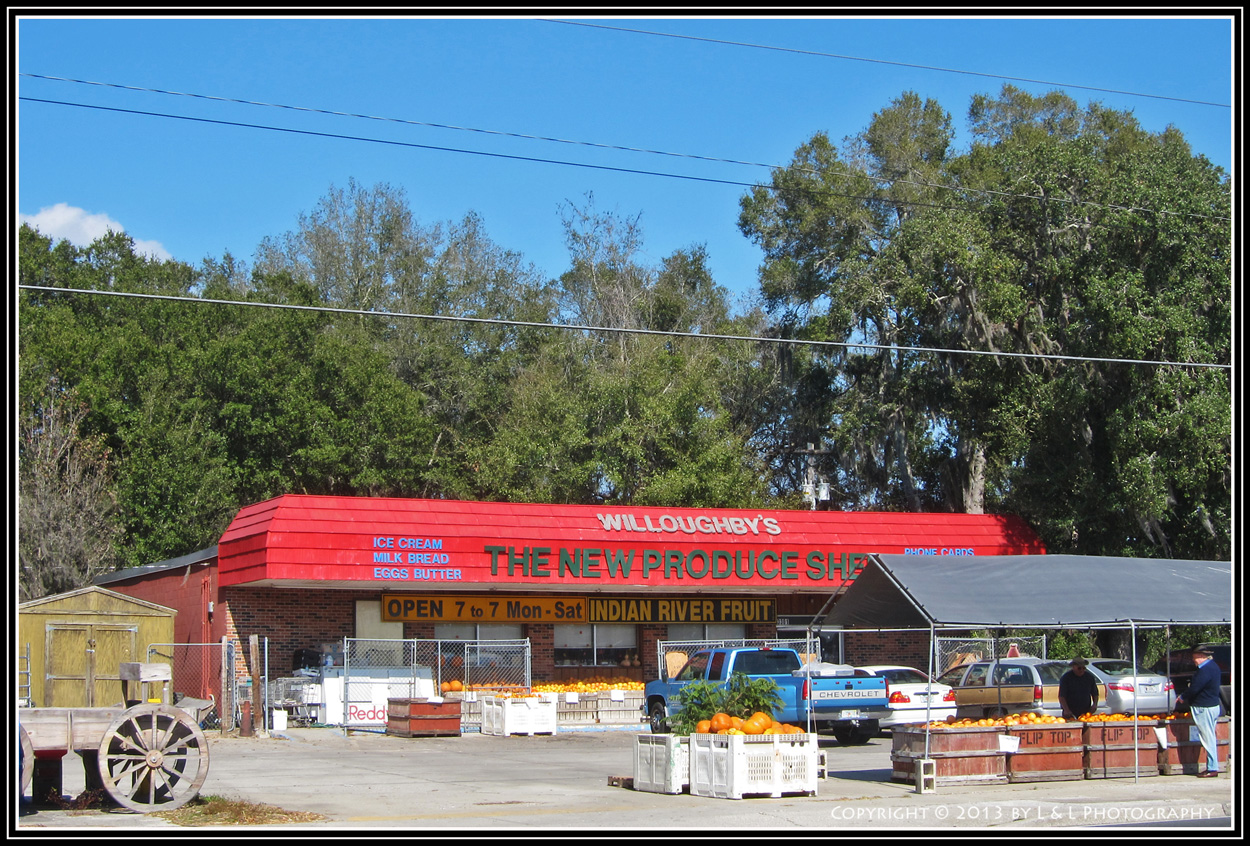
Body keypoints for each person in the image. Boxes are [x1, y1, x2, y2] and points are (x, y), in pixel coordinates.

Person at [1176, 645, 1222, 778]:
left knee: (1207, 738)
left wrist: (1183, 697)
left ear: (1201, 656)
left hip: (1204, 707)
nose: (1193, 660)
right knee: (1210, 737)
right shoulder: (1214, 667)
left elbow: (1196, 687)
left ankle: (1212, 768)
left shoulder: (1204, 670)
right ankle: (1211, 766)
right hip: (1213, 705)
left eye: (1195, 657)